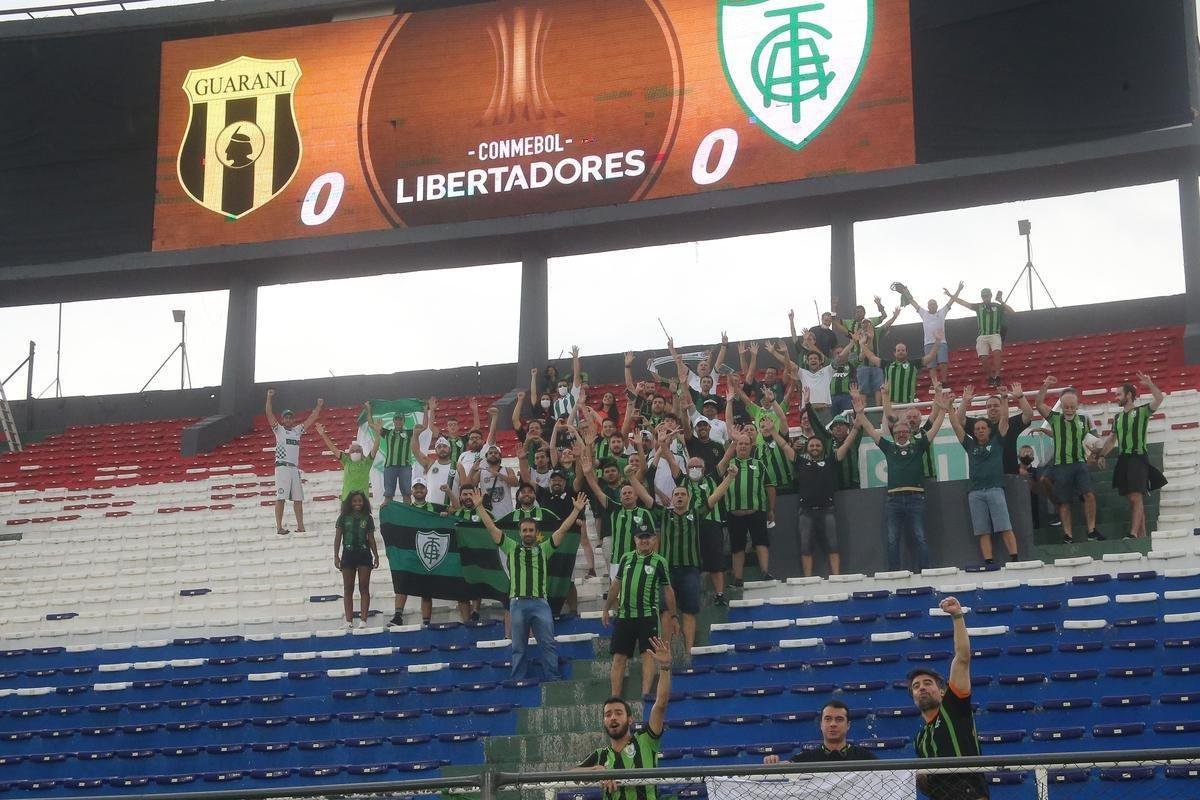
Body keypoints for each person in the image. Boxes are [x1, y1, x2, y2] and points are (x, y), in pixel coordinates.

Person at [472, 487, 587, 680]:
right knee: (518, 646)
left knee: (548, 643)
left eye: (531, 530)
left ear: (536, 533)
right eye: (524, 530)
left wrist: (576, 510)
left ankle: (553, 678)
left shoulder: (544, 549)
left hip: (540, 603)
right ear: (519, 533)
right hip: (517, 604)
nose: (527, 533)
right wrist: (479, 507)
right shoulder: (511, 548)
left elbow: (563, 529)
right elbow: (491, 528)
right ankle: (518, 680)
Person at [575, 636, 673, 799]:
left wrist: (664, 667)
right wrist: (597, 770)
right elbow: (569, 775)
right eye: (608, 714)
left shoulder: (646, 740)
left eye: (618, 713)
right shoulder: (601, 755)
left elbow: (661, 704)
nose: (613, 717)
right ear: (604, 722)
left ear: (630, 719)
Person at [911, 596, 987, 800]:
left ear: (943, 691)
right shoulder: (920, 739)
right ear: (913, 697)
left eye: (928, 683)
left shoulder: (953, 708)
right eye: (916, 686)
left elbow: (962, 658)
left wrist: (957, 616)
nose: (922, 688)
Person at [779, 401, 861, 577]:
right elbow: (785, 446)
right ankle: (808, 579)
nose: (815, 447)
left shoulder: (831, 461)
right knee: (805, 546)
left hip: (827, 509)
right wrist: (772, 431)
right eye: (812, 446)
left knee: (833, 544)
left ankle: (836, 576)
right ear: (807, 448)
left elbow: (847, 444)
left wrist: (855, 428)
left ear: (822, 448)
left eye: (817, 445)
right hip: (805, 511)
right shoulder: (801, 462)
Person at [658, 470, 736, 650]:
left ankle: (689, 651)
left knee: (689, 611)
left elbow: (715, 497)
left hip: (690, 571)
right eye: (676, 494)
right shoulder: (663, 514)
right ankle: (665, 652)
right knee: (666, 612)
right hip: (667, 571)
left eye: (683, 494)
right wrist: (631, 477)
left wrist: (730, 477)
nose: (679, 497)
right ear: (672, 498)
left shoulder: (696, 513)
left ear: (689, 498)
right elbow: (645, 497)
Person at [855, 392, 930, 572]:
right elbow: (870, 430)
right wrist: (860, 413)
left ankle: (925, 570)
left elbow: (934, 428)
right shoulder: (888, 447)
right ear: (893, 434)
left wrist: (943, 409)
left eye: (904, 432)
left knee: (920, 536)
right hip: (893, 500)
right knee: (892, 538)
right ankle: (894, 573)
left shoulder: (919, 446)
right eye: (898, 432)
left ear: (909, 433)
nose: (901, 434)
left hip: (916, 498)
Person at [944, 392, 1019, 566]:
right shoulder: (970, 445)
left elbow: (1005, 419)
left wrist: (1004, 399)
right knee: (982, 530)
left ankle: (1015, 558)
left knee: (1004, 526)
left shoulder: (997, 442)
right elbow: (956, 425)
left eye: (983, 428)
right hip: (975, 492)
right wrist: (949, 407)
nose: (979, 431)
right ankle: (988, 561)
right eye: (977, 429)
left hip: (995, 489)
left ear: (989, 430)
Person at [603, 528, 676, 697]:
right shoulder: (626, 558)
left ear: (654, 539)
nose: (644, 541)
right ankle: (615, 698)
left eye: (647, 537)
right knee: (618, 657)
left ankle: (645, 695)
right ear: (635, 540)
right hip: (625, 615)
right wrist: (606, 608)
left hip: (648, 617)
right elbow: (615, 585)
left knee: (648, 656)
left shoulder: (659, 561)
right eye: (640, 537)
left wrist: (673, 616)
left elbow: (668, 590)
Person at [1096, 372, 1167, 539]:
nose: (1116, 397)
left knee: (1136, 496)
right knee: (1132, 498)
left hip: (1137, 457)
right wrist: (1102, 455)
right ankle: (1142, 535)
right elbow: (1112, 439)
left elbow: (1159, 399)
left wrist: (1150, 384)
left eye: (1119, 394)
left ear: (1128, 395)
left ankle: (1133, 533)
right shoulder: (1117, 417)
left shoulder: (1142, 411)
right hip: (1124, 459)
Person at [1035, 376, 1102, 543]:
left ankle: (1092, 530)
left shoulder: (1083, 420)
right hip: (1061, 465)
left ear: (1077, 406)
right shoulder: (1055, 418)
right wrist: (1045, 385)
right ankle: (1068, 535)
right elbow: (1039, 404)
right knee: (1064, 501)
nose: (1069, 410)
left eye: (1072, 407)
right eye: (1066, 407)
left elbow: (1088, 440)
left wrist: (1094, 453)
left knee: (1089, 495)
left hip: (1079, 463)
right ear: (1062, 406)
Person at [717, 429, 773, 585]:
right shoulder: (728, 464)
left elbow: (769, 487)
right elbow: (717, 476)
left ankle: (765, 572)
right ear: (736, 446)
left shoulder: (759, 464)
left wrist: (770, 509)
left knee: (761, 542)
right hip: (734, 513)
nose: (742, 446)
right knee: (737, 547)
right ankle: (738, 578)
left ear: (751, 446)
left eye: (746, 444)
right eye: (740, 443)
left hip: (756, 511)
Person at [265, 389, 323, 535]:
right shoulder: (279, 430)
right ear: (283, 419)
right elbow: (269, 413)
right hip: (282, 466)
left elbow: (312, 418)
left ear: (293, 420)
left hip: (294, 468)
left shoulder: (297, 431)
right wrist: (269, 397)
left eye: (290, 418)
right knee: (281, 497)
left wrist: (319, 406)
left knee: (298, 498)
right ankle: (279, 527)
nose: (288, 420)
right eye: (286, 418)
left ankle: (300, 526)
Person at [762, 700, 877, 763]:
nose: (833, 724)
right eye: (828, 719)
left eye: (839, 719)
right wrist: (772, 763)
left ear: (848, 725)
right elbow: (786, 770)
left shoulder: (866, 759)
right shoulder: (803, 760)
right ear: (821, 725)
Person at [958, 383, 1035, 475]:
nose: (992, 408)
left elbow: (1028, 415)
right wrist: (964, 401)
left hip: (1010, 474)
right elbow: (959, 420)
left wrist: (1020, 397)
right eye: (989, 406)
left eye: (996, 405)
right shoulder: (979, 426)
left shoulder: (1011, 423)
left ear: (1002, 407)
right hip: (986, 476)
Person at [948, 286, 1015, 388]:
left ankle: (997, 376)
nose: (985, 298)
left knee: (997, 353)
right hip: (982, 335)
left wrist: (1001, 301)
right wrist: (951, 295)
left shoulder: (997, 306)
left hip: (995, 334)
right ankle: (990, 377)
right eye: (983, 296)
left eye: (987, 296)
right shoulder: (978, 306)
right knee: (983, 357)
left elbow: (1012, 313)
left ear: (990, 296)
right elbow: (963, 303)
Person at [314, 404, 381, 500]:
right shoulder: (346, 461)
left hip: (362, 501)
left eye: (358, 450)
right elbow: (333, 448)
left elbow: (375, 447)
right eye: (352, 451)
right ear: (349, 454)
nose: (355, 452)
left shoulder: (367, 462)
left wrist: (378, 434)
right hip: (347, 500)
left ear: (362, 453)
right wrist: (323, 434)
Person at [334, 490, 378, 629]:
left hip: (364, 554)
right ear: (350, 503)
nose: (357, 503)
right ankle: (349, 621)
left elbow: (371, 538)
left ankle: (363, 620)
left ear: (364, 502)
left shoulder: (368, 518)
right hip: (348, 554)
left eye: (360, 501)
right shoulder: (343, 517)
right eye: (354, 501)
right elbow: (338, 538)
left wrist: (376, 555)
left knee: (364, 587)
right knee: (348, 588)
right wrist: (336, 556)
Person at [904, 281, 963, 387]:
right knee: (931, 365)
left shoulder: (942, 312)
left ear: (937, 305)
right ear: (928, 306)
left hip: (941, 342)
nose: (932, 305)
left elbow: (951, 301)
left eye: (934, 304)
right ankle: (935, 383)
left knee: (943, 362)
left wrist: (958, 289)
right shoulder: (924, 313)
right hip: (928, 343)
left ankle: (944, 381)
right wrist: (906, 292)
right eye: (930, 304)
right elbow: (913, 302)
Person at [859, 331, 941, 406]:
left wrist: (938, 341)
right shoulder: (887, 364)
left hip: (908, 405)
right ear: (894, 353)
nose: (900, 352)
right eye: (898, 350)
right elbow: (871, 357)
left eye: (903, 350)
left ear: (906, 352)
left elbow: (930, 356)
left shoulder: (913, 364)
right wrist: (862, 344)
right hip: (891, 405)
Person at [381, 407, 418, 506]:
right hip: (390, 466)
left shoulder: (409, 433)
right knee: (388, 495)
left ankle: (408, 513)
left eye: (400, 419)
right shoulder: (387, 432)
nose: (398, 421)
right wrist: (368, 410)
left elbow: (423, 428)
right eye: (396, 419)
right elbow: (372, 426)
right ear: (393, 421)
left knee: (407, 494)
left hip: (405, 466)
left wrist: (426, 410)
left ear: (404, 421)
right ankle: (388, 513)